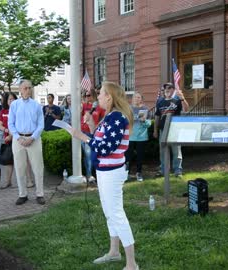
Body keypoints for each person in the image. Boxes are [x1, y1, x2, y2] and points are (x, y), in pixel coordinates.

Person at [70, 81, 138, 270]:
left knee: (116, 213)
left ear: (109, 96)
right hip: (105, 170)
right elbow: (100, 141)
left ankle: (132, 263)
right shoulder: (109, 117)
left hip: (112, 172)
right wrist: (92, 127)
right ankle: (114, 252)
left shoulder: (118, 117)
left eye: (100, 93)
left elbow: (107, 148)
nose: (97, 96)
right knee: (110, 213)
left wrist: (80, 135)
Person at [8, 80, 46, 205]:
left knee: (38, 168)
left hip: (33, 139)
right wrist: (18, 137)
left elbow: (41, 124)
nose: (28, 90)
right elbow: (10, 123)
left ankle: (40, 194)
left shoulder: (36, 105)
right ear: (20, 89)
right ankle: (22, 194)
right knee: (20, 168)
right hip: (18, 140)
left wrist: (32, 138)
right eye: (25, 88)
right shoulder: (14, 105)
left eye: (30, 88)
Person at [153, 83, 185, 177]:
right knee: (163, 151)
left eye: (169, 88)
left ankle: (178, 171)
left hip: (175, 130)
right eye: (165, 88)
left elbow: (186, 109)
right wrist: (155, 130)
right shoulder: (160, 101)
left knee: (176, 151)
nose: (167, 89)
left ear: (173, 90)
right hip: (163, 130)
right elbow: (157, 117)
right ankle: (163, 170)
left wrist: (182, 98)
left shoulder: (177, 100)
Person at [81, 88, 106, 182]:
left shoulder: (99, 106)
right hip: (84, 132)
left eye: (88, 95)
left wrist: (97, 125)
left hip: (95, 133)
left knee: (94, 154)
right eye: (85, 95)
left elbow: (103, 118)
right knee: (87, 154)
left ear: (94, 95)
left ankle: (94, 174)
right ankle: (89, 175)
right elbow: (79, 116)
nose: (87, 97)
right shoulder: (84, 105)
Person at [125, 92, 151, 182]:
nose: (137, 99)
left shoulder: (145, 109)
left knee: (140, 157)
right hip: (130, 137)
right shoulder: (128, 109)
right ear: (132, 99)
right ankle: (126, 173)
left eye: (139, 97)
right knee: (128, 157)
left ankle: (139, 173)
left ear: (141, 99)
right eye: (135, 97)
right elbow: (124, 122)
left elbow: (149, 124)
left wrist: (144, 121)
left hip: (142, 137)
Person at [0, 92, 17, 188]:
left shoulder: (18, 110)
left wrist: (11, 135)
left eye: (13, 99)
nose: (11, 100)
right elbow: (0, 125)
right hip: (7, 139)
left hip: (17, 139)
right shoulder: (3, 111)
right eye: (9, 99)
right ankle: (8, 181)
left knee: (20, 161)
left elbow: (18, 125)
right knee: (8, 161)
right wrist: (5, 130)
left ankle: (27, 181)